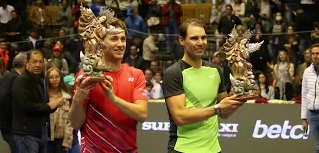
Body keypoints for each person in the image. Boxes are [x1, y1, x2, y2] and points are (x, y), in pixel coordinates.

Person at [69, 8, 148, 152]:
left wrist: (113, 98)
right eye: (114, 39)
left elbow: (142, 115)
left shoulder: (136, 74)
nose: (120, 44)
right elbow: (75, 123)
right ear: (100, 42)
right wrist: (78, 98)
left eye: (123, 39)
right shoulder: (87, 76)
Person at [162, 18, 246, 153]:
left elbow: (224, 112)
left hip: (214, 149)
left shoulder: (215, 70)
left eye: (203, 38)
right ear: (182, 40)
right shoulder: (173, 73)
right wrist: (217, 109)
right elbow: (180, 117)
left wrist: (240, 98)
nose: (200, 42)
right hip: (183, 149)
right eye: (194, 38)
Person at [11, 50, 65, 153]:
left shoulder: (39, 80)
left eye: (40, 62)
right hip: (26, 132)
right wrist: (49, 106)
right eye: (34, 61)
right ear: (27, 63)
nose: (38, 65)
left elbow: (44, 106)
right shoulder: (21, 81)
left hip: (41, 131)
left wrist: (55, 106)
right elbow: (26, 106)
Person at [0, 53, 27, 153]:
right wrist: (18, 115)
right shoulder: (12, 78)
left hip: (12, 126)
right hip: (11, 127)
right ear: (25, 63)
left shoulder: (9, 76)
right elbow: (3, 100)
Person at [301, 43, 319, 153]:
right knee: (318, 145)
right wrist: (304, 119)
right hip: (312, 115)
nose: (315, 56)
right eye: (313, 53)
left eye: (317, 53)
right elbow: (304, 95)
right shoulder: (307, 72)